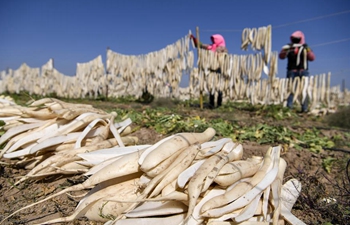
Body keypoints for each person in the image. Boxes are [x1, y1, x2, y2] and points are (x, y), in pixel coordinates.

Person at [279, 30, 315, 113]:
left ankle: (304, 108)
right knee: (290, 89)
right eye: (294, 39)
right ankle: (289, 108)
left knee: (304, 90)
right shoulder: (289, 48)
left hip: (303, 71)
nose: (296, 40)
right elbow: (281, 57)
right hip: (292, 71)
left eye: (297, 39)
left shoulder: (306, 48)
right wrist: (285, 50)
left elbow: (312, 58)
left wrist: (308, 50)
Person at [190, 34, 228, 109]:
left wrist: (219, 52)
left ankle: (219, 104)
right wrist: (194, 39)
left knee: (219, 87)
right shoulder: (211, 47)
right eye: (213, 40)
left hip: (219, 71)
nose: (214, 41)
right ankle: (211, 104)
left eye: (215, 40)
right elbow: (200, 45)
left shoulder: (223, 48)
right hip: (211, 70)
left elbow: (224, 57)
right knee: (211, 87)